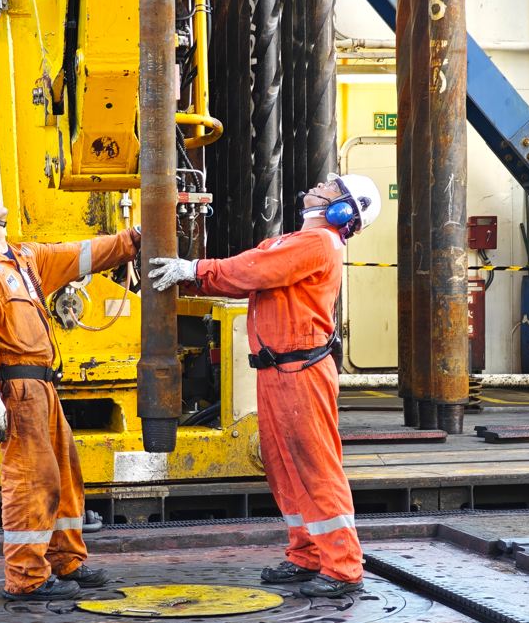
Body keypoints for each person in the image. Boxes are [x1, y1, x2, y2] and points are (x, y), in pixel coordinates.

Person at [148, 173, 381, 598]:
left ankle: (343, 566)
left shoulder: (317, 243)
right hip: (279, 372)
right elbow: (246, 271)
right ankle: (307, 555)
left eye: (332, 187)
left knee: (314, 469)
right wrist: (194, 276)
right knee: (283, 468)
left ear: (343, 209)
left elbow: (250, 270)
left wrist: (194, 269)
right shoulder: (294, 240)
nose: (319, 186)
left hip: (300, 374)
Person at [0, 178, 141, 601]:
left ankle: (64, 563)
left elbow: (81, 254)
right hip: (16, 390)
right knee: (30, 481)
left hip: (44, 388)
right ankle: (27, 577)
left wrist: (133, 240)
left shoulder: (23, 259)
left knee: (64, 476)